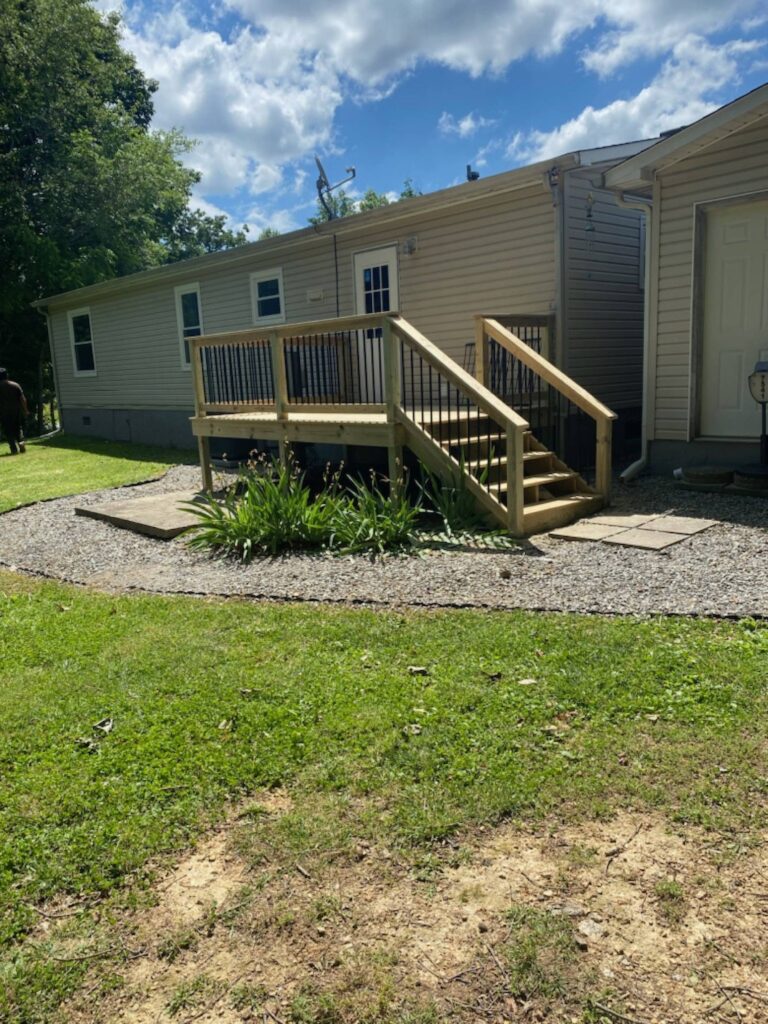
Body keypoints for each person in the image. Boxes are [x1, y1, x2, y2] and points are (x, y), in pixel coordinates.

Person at [0, 368, 28, 455]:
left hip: (3, 412)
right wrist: (25, 410)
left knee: (8, 430)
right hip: (16, 411)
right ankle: (21, 442)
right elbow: (22, 399)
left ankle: (13, 449)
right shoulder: (15, 385)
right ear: (6, 375)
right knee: (18, 427)